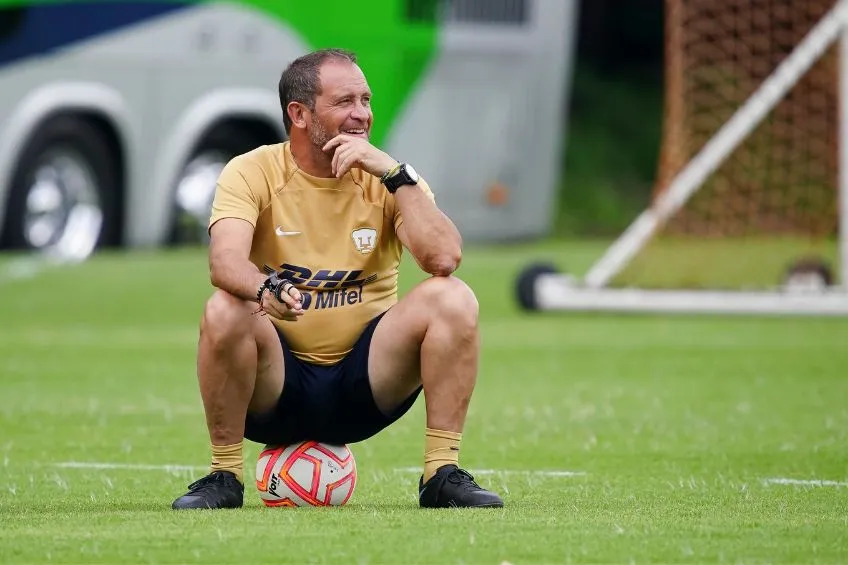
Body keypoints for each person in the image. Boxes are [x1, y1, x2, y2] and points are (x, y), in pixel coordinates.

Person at [171, 48, 503, 510]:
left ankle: (441, 475)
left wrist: (394, 175)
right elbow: (224, 263)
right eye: (345, 101)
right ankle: (224, 476)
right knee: (225, 306)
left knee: (453, 298)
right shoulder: (252, 170)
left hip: (363, 384)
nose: (361, 114)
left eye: (366, 100)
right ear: (300, 114)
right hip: (275, 386)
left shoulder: (389, 177)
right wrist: (266, 288)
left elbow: (444, 257)